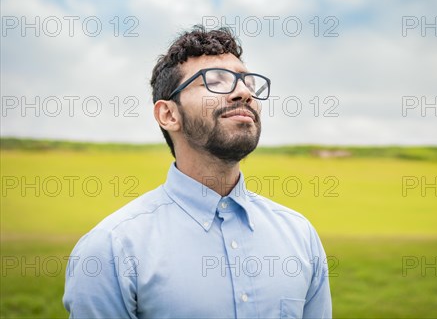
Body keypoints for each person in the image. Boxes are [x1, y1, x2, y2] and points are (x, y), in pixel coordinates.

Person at [63, 25, 332, 318]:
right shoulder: (111, 249)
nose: (243, 92)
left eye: (248, 83)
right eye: (216, 81)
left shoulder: (300, 235)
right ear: (169, 114)